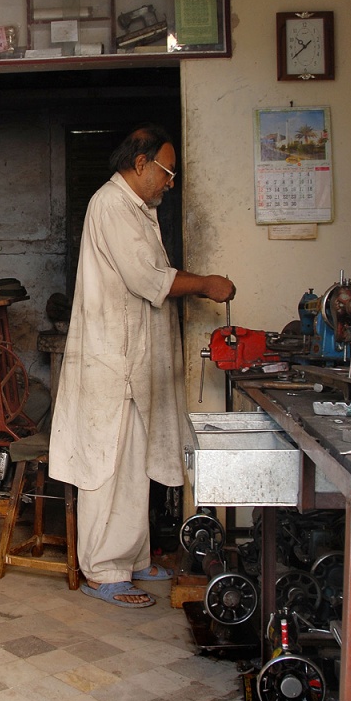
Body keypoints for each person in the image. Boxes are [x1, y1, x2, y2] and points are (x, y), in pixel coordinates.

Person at [48, 125, 235, 609]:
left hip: (132, 363)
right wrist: (205, 284)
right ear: (140, 164)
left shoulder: (137, 210)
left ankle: (130, 559)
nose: (170, 182)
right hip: (112, 361)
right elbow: (146, 278)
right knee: (106, 466)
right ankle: (102, 570)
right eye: (167, 172)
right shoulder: (111, 205)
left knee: (133, 464)